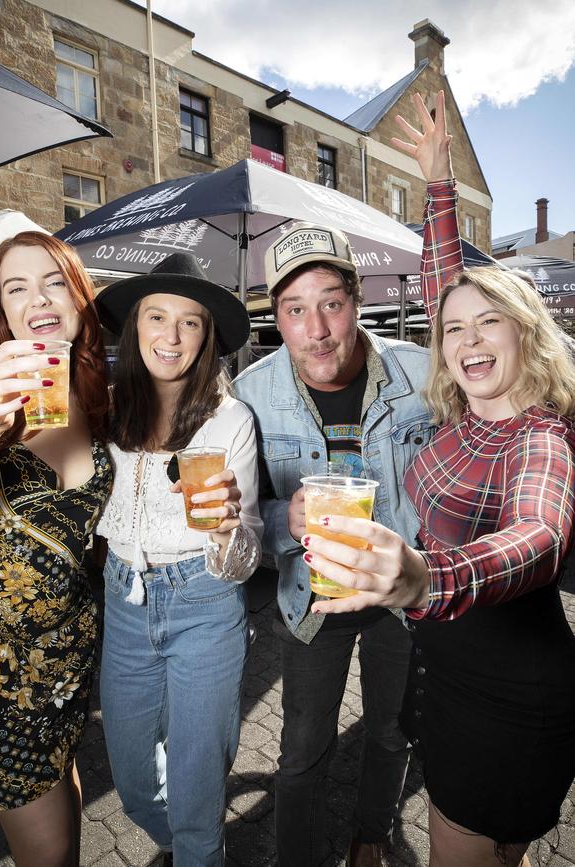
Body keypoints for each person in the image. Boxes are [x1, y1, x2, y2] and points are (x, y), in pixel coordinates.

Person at [305, 94, 575, 867]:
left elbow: (541, 535)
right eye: (454, 329)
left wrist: (425, 574)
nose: (465, 337)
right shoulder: (467, 412)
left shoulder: (541, 436)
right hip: (450, 678)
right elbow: (445, 286)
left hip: (509, 700)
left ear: (526, 332)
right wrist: (438, 187)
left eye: (490, 322)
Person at [233, 92, 461, 867]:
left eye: (331, 302)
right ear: (277, 317)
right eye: (296, 310)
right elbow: (240, 512)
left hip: (400, 591)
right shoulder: (252, 393)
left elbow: (458, 325)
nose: (318, 328)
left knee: (394, 730)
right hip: (311, 600)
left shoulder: (419, 371)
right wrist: (278, 518)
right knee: (302, 748)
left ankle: (371, 832)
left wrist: (440, 192)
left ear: (358, 300)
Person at [0, 231, 112, 867]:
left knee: (63, 789)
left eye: (53, 281)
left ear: (79, 297)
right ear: (0, 312)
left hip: (70, 656)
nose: (38, 298)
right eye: (16, 287)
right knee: (50, 850)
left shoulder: (103, 401)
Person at [94, 252, 262, 867]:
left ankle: (197, 848)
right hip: (123, 603)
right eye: (157, 317)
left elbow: (245, 560)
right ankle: (182, 842)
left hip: (204, 604)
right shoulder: (102, 409)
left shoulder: (230, 421)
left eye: (189, 322)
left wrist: (223, 529)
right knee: (135, 782)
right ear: (135, 326)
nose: (171, 336)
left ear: (206, 336)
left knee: (197, 793)